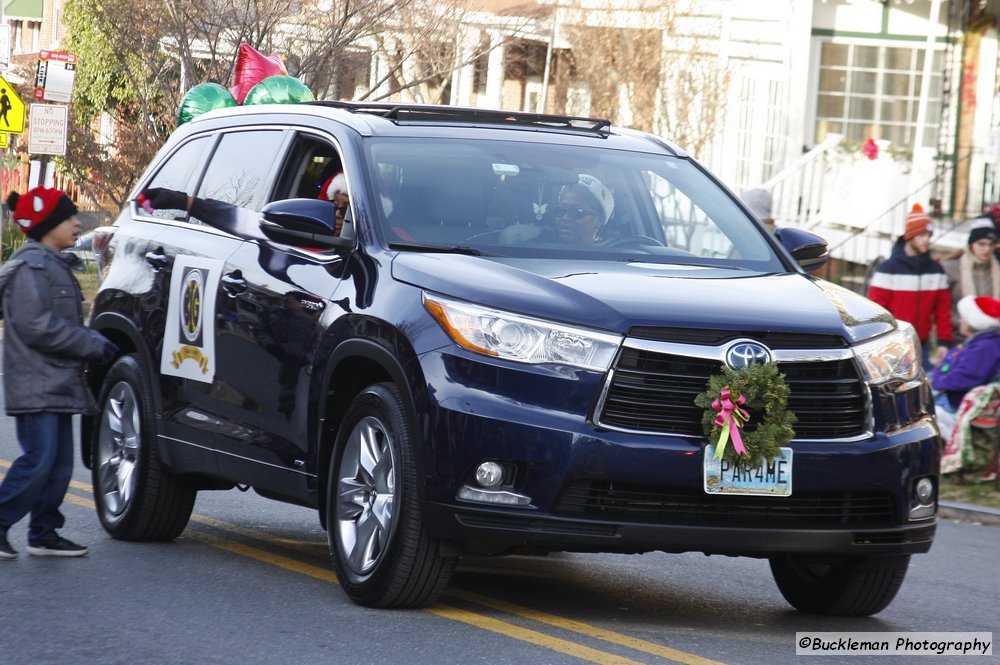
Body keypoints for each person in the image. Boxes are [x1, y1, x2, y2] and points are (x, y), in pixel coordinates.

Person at [0, 186, 118, 560]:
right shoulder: (30, 267)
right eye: (69, 218)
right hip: (36, 382)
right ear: (48, 223)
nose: (77, 223)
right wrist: (93, 345)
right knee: (38, 460)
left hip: (57, 382)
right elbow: (37, 325)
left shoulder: (53, 263)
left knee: (59, 464)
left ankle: (44, 531)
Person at [867, 203, 952, 368]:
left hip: (922, 345)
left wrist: (944, 341)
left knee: (927, 391)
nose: (926, 240)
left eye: (929, 235)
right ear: (910, 236)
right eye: (921, 235)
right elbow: (876, 310)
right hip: (892, 346)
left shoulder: (936, 270)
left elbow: (943, 310)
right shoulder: (888, 269)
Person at [500, 173, 614, 245]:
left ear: (599, 220)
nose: (565, 218)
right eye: (560, 211)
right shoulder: (538, 248)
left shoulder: (614, 253)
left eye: (576, 213)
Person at [942, 217, 1000, 337]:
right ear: (971, 244)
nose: (987, 249)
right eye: (981, 244)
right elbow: (942, 306)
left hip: (992, 338)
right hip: (958, 337)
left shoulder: (997, 269)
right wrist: (959, 322)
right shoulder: (951, 268)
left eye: (991, 244)